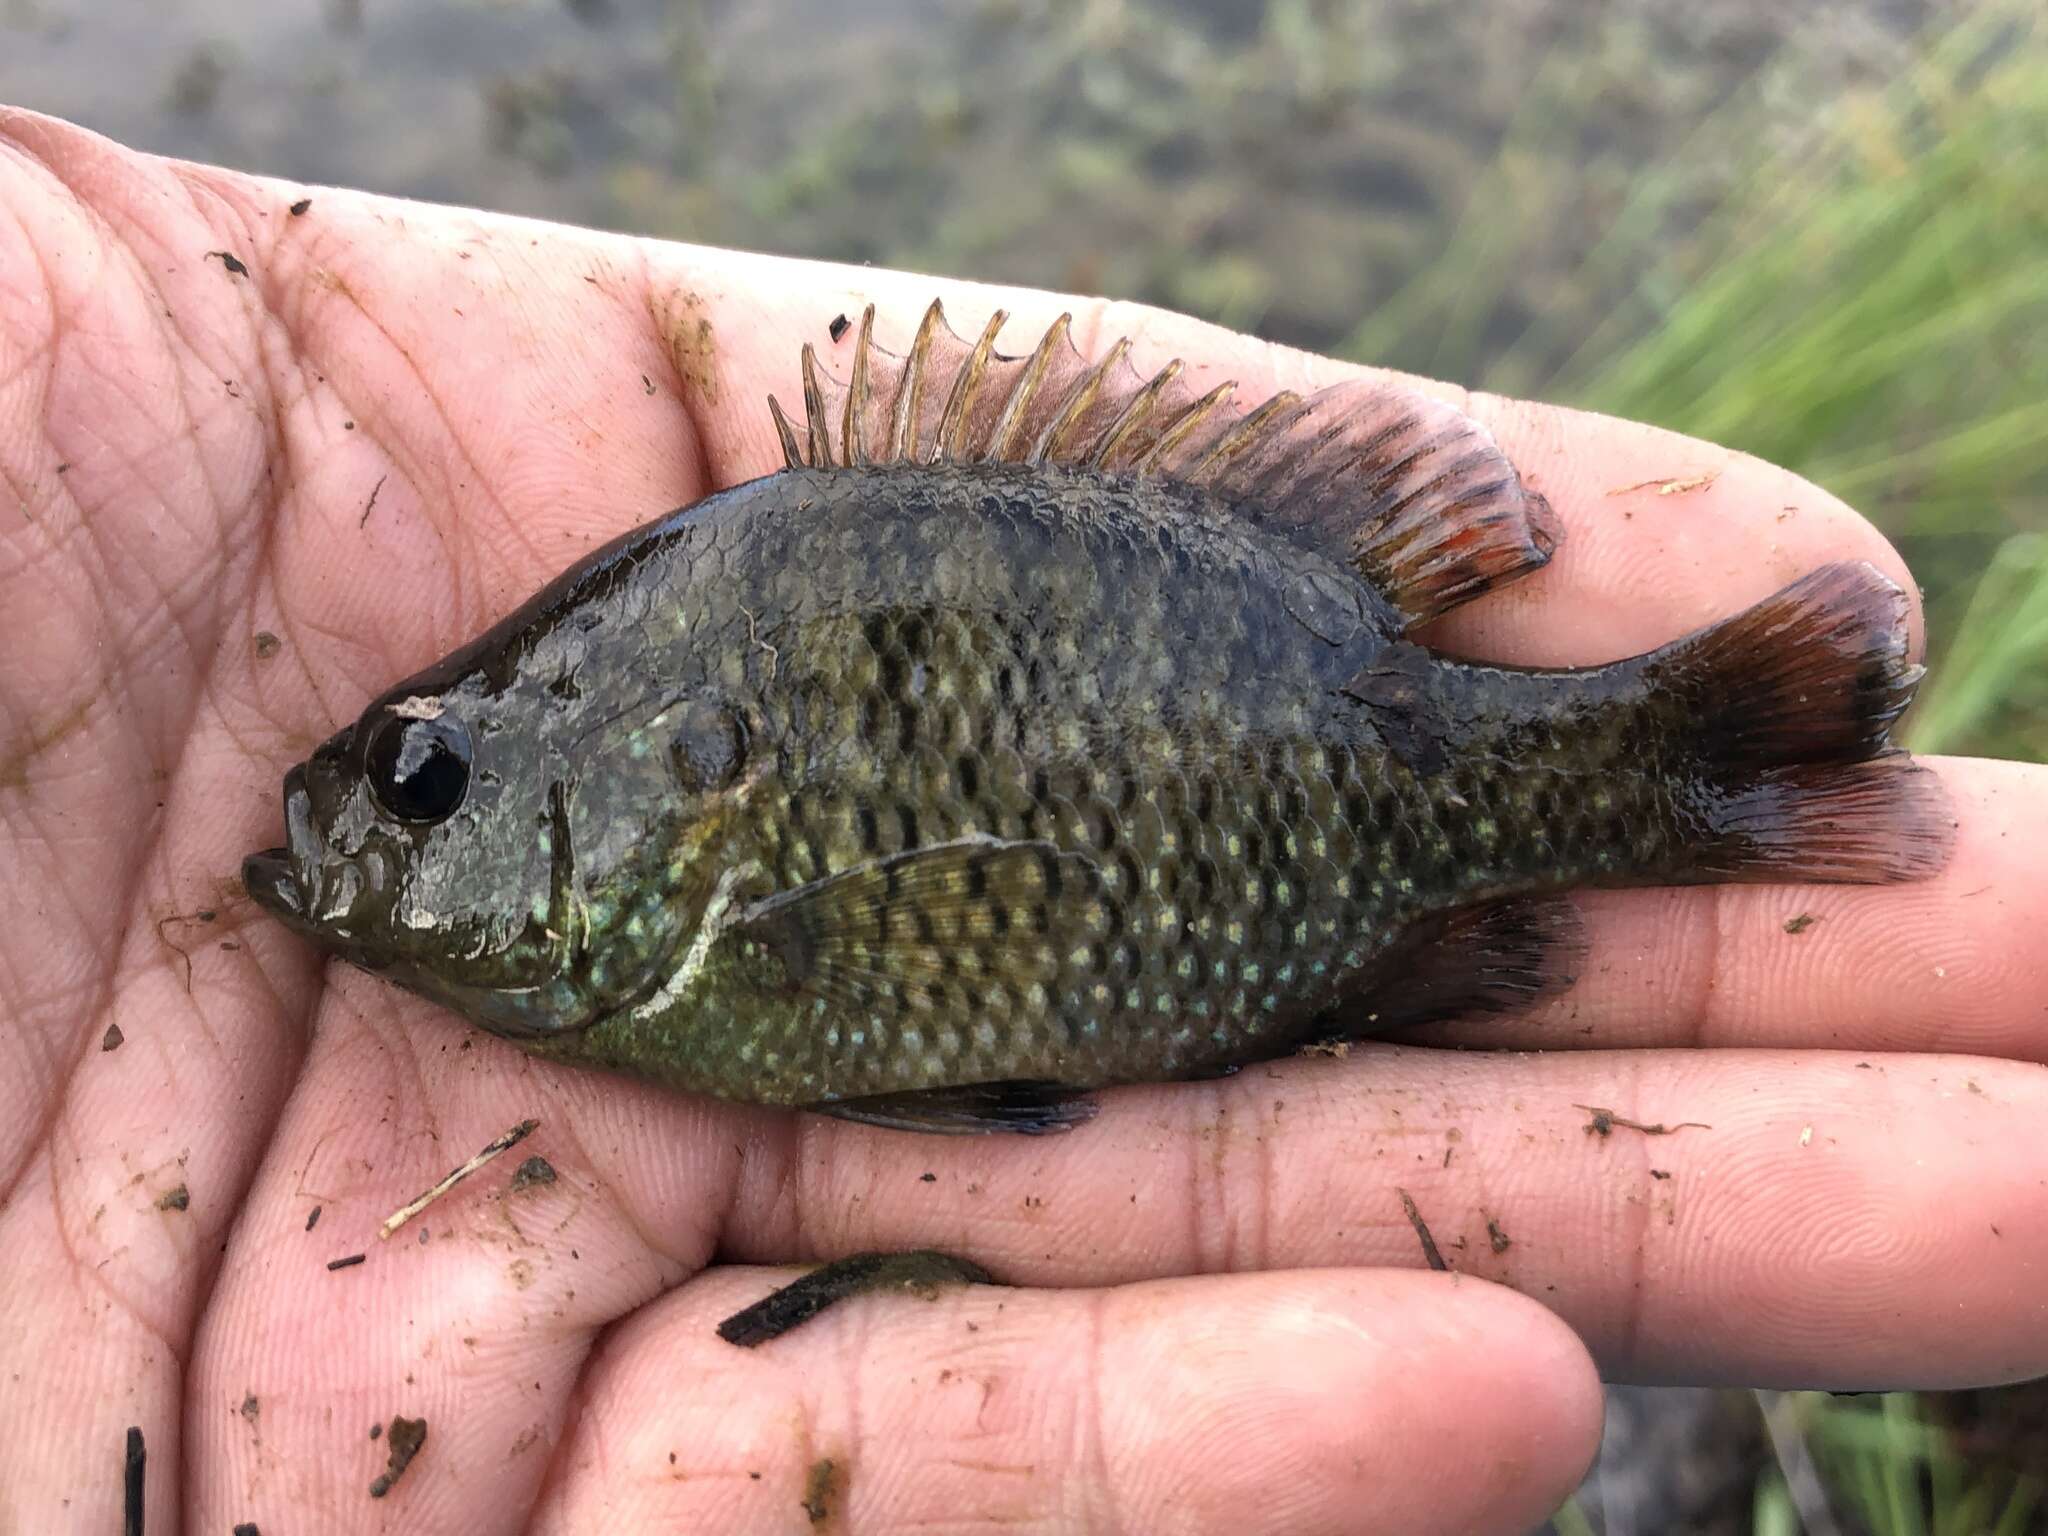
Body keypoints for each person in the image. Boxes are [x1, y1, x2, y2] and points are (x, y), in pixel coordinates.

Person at [0, 104, 2041, 1536]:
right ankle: (1724, 775)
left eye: (429, 769)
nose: (373, 812)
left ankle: (1705, 758)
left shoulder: (704, 885)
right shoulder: (686, 825)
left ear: (680, 788)